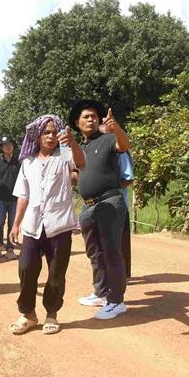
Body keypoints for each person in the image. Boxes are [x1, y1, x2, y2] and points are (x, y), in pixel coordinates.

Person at [8, 115, 84, 335]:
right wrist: (15, 225)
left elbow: (81, 163)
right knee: (26, 268)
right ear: (38, 137)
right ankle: (28, 314)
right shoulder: (28, 163)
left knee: (56, 272)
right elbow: (23, 195)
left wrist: (73, 142)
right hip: (32, 225)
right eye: (46, 133)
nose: (51, 136)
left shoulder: (64, 155)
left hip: (59, 224)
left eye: (54, 132)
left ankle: (52, 313)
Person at [69, 99, 130, 320]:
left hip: (109, 202)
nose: (91, 119)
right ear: (77, 123)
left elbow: (124, 145)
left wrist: (116, 128)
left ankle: (117, 301)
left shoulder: (108, 139)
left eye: (94, 116)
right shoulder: (79, 147)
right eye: (86, 116)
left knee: (112, 251)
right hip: (88, 207)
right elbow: (77, 176)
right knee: (94, 252)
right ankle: (101, 293)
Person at [0, 134, 20, 260]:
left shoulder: (19, 160)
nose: (8, 147)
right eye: (5, 145)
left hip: (15, 199)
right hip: (1, 198)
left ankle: (10, 248)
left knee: (12, 224)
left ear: (13, 146)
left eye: (9, 144)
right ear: (1, 148)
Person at [118, 152, 134, 278]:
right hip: (101, 206)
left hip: (119, 205)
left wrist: (109, 188)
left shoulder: (120, 153)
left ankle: (124, 275)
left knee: (121, 243)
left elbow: (128, 178)